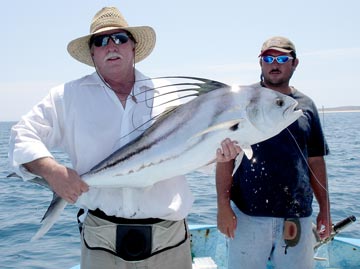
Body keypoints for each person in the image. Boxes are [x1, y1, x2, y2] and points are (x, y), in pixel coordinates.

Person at [8, 6, 238, 269]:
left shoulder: (170, 96)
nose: (111, 46)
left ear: (133, 47)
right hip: (101, 241)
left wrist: (222, 154)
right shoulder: (67, 97)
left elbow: (200, 158)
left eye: (120, 38)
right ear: (92, 52)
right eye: (101, 41)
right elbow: (21, 135)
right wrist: (51, 171)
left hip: (169, 241)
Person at [216, 36, 332, 269]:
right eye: (268, 58)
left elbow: (316, 162)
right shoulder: (242, 101)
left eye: (281, 58)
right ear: (260, 63)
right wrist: (223, 207)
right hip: (248, 216)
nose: (274, 64)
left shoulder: (306, 106)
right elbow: (225, 158)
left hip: (296, 216)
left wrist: (325, 211)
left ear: (295, 63)